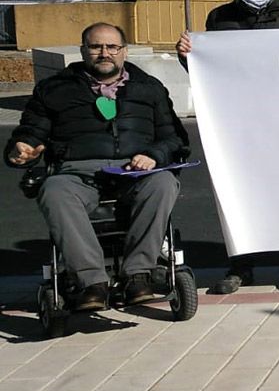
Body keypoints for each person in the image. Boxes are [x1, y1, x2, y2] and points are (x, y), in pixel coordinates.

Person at [6, 23, 187, 311]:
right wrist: (21, 150)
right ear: (82, 51)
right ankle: (92, 282)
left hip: (135, 170)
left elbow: (175, 138)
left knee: (163, 183)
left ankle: (138, 275)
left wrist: (153, 154)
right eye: (96, 47)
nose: (105, 53)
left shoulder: (149, 89)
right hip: (78, 171)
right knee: (53, 190)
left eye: (112, 47)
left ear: (124, 51)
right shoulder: (54, 90)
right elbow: (30, 133)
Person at [176, 0, 279, 294]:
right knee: (237, 193)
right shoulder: (220, 19)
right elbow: (209, 71)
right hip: (238, 124)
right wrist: (188, 56)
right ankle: (241, 266)